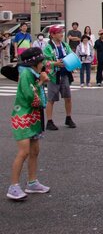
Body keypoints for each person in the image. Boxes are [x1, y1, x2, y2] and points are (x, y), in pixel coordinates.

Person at [6, 48, 51, 200]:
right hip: (23, 116)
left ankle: (32, 182)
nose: (43, 64)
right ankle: (13, 186)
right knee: (23, 152)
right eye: (41, 61)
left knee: (34, 151)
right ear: (34, 63)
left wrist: (40, 80)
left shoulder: (32, 73)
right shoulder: (26, 74)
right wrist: (41, 82)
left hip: (32, 116)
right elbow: (30, 96)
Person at [43, 25, 76, 130]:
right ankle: (49, 121)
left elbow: (71, 55)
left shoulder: (65, 45)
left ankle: (68, 117)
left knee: (68, 97)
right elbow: (44, 62)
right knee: (51, 99)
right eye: (59, 32)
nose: (62, 34)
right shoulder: (48, 47)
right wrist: (55, 63)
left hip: (65, 74)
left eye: (62, 32)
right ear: (52, 34)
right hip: (53, 76)